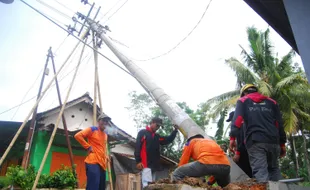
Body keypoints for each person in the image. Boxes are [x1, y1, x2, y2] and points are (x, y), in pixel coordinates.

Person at [230, 84, 287, 183]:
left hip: (255, 141)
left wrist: (232, 138)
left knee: (260, 172)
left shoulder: (243, 101)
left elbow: (238, 119)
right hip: (273, 141)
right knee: (274, 170)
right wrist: (282, 143)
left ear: (244, 93)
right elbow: (279, 123)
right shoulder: (272, 102)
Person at [134, 117, 178, 188]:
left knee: (151, 185)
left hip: (154, 166)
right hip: (145, 164)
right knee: (146, 186)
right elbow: (137, 146)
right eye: (157, 125)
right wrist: (138, 161)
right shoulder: (143, 133)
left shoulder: (157, 137)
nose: (158, 127)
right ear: (152, 123)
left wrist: (175, 130)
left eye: (159, 126)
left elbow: (167, 140)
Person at [74, 114, 111, 190]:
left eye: (107, 121)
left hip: (102, 164)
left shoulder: (105, 135)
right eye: (103, 120)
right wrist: (88, 146)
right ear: (98, 121)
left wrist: (106, 156)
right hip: (93, 162)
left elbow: (102, 147)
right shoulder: (92, 129)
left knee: (101, 187)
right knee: (93, 187)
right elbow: (78, 135)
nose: (105, 122)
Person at [227, 111, 252, 178]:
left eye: (232, 120)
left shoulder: (242, 127)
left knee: (243, 169)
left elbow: (243, 141)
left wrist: (238, 153)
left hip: (246, 152)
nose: (232, 123)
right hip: (246, 150)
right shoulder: (245, 125)